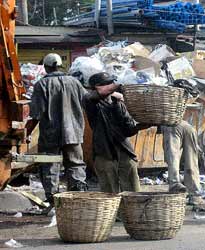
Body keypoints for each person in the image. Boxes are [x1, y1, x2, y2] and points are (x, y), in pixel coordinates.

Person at [26, 53, 88, 208]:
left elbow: (36, 114)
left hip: (50, 135)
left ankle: (54, 202)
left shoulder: (42, 84)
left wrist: (26, 133)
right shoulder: (75, 82)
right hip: (74, 133)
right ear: (60, 66)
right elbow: (87, 103)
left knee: (49, 167)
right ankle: (78, 200)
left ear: (46, 67)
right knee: (76, 165)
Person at [82, 72, 150, 193]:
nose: (111, 85)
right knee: (110, 196)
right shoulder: (91, 102)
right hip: (104, 155)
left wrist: (141, 126)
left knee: (132, 194)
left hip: (125, 153)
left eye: (111, 83)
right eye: (107, 84)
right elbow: (92, 96)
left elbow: (128, 130)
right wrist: (116, 87)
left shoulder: (118, 102)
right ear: (95, 87)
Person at [162, 121, 204, 205]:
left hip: (172, 127)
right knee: (192, 161)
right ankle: (195, 195)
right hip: (188, 127)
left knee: (172, 158)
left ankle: (175, 186)